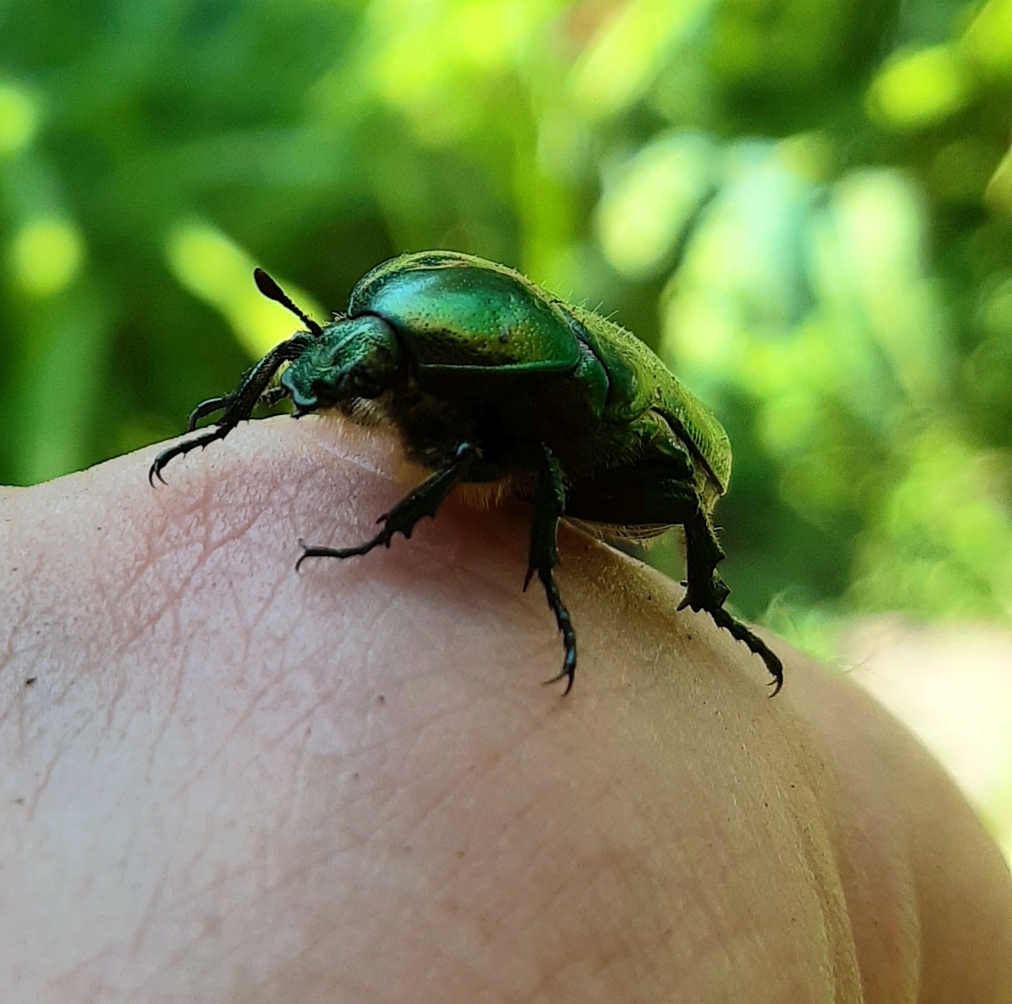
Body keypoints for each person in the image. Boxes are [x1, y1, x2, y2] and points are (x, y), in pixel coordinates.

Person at [1, 416, 1009, 1003]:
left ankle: (705, 599)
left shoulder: (515, 411)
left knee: (543, 458)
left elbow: (598, 471)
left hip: (606, 448)